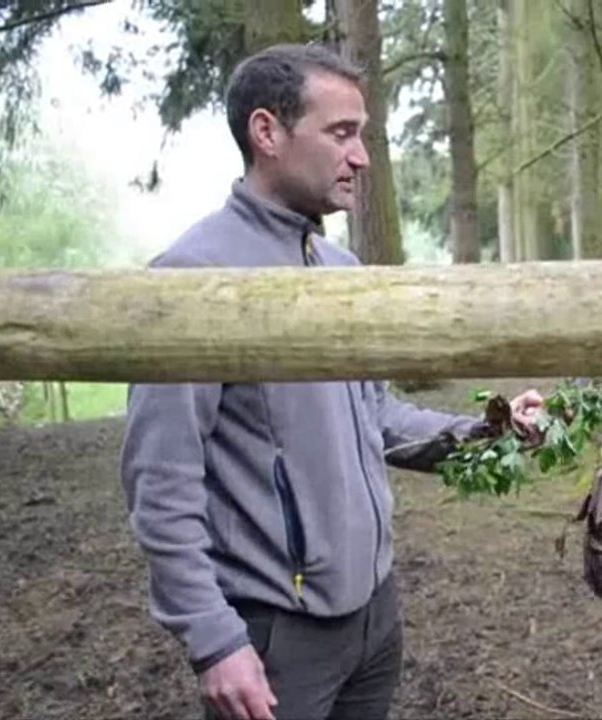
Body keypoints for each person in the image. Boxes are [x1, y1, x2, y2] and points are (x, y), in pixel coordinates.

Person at [118, 42, 544, 720]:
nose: (362, 156)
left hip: (375, 617)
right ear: (267, 133)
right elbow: (160, 481)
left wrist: (489, 433)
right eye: (341, 133)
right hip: (276, 636)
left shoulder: (339, 266)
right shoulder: (192, 279)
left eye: (363, 135)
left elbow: (375, 416)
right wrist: (213, 639)